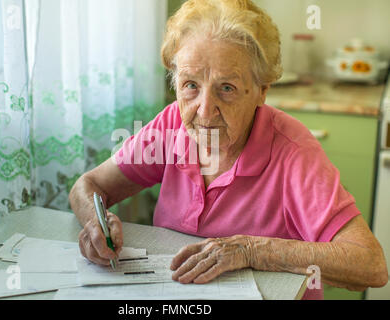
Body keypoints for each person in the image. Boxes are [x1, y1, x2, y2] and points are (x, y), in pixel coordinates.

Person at [69, 0, 387, 299]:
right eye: (190, 85)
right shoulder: (171, 125)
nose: (205, 111)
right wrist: (94, 222)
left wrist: (251, 250)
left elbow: (370, 264)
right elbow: (88, 186)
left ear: (261, 90)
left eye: (227, 88)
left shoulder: (292, 151)